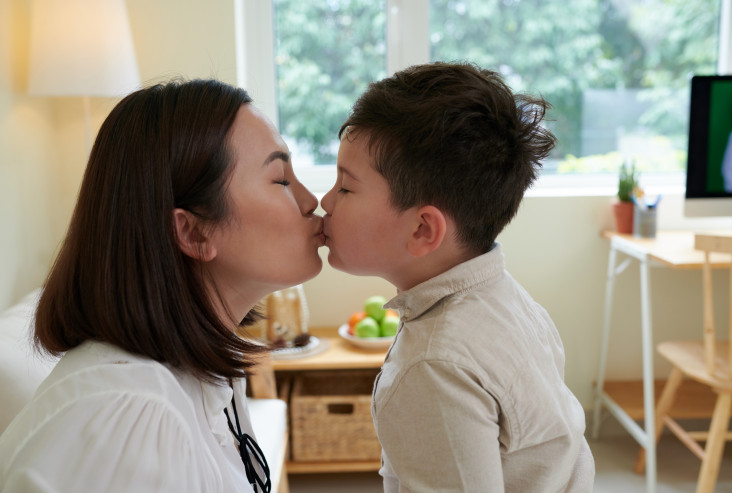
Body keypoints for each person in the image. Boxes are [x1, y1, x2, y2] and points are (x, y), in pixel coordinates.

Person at [0, 79, 325, 492]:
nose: (311, 200)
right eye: (280, 179)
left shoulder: (205, 379)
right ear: (192, 232)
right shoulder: (131, 416)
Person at [321, 62, 594, 492]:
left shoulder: (434, 368)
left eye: (345, 188)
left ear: (422, 230)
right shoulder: (507, 299)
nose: (324, 202)